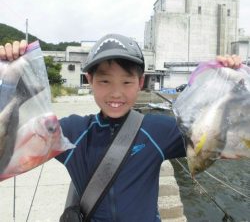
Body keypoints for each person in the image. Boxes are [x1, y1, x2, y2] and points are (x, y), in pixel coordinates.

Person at [0, 34, 242, 221]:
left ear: (140, 82)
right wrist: (8, 82)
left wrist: (225, 81)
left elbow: (221, 138)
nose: (116, 93)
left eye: (126, 82)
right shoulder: (73, 132)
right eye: (105, 81)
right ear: (89, 81)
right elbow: (6, 154)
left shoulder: (158, 130)